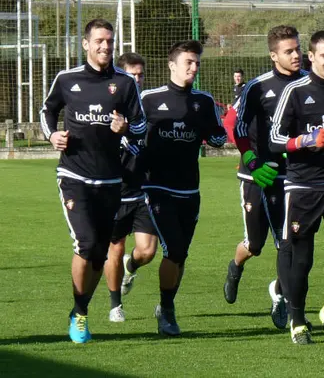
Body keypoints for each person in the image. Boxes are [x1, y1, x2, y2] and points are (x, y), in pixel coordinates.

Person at [40, 18, 146, 343]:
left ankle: (80, 308)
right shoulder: (67, 78)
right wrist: (52, 135)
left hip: (111, 180)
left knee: (100, 254)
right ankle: (81, 313)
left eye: (110, 42)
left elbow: (142, 127)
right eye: (99, 41)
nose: (105, 47)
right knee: (85, 244)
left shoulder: (125, 83)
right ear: (86, 44)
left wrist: (125, 128)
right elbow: (47, 110)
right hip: (73, 175)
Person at [269, 30, 324, 345]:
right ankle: (297, 320)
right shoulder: (295, 90)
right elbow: (274, 138)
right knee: (302, 259)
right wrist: (306, 140)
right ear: (312, 57)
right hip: (302, 185)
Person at [140, 40, 228, 336]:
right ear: (172, 64)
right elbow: (134, 133)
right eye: (188, 62)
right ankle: (167, 310)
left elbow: (219, 137)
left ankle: (166, 303)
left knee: (181, 255)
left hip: (189, 189)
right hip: (156, 187)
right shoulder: (149, 98)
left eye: (197, 63)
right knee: (173, 248)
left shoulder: (203, 102)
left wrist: (209, 132)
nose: (193, 67)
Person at [223, 25, 305, 330]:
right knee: (256, 244)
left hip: (294, 175)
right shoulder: (257, 87)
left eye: (298, 48)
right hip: (257, 174)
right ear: (274, 56)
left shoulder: (309, 83)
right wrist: (252, 160)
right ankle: (236, 265)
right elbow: (239, 128)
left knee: (289, 243)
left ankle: (281, 296)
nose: (296, 55)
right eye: (289, 51)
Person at [103, 52, 158, 323]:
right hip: (115, 191)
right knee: (114, 247)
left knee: (147, 251)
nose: (137, 79)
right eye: (132, 75)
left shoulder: (149, 109)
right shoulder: (108, 109)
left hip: (143, 191)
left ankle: (132, 265)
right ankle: (115, 304)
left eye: (140, 74)